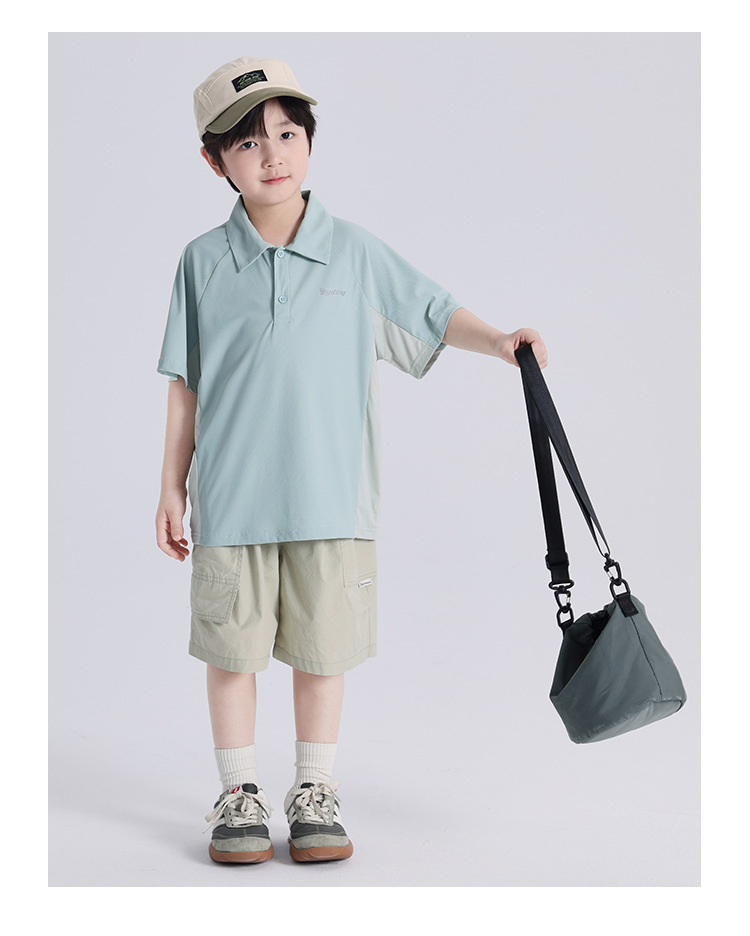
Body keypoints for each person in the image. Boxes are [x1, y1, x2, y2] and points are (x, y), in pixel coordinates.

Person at [155, 56, 548, 866]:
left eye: (287, 134)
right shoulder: (201, 262)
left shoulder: (355, 254)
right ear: (214, 161)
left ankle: (314, 790)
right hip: (230, 502)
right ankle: (237, 793)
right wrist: (169, 486)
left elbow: (432, 312)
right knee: (231, 653)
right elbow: (186, 385)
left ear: (309, 140)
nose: (273, 155)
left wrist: (501, 341)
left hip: (332, 501)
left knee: (322, 653)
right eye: (248, 143)